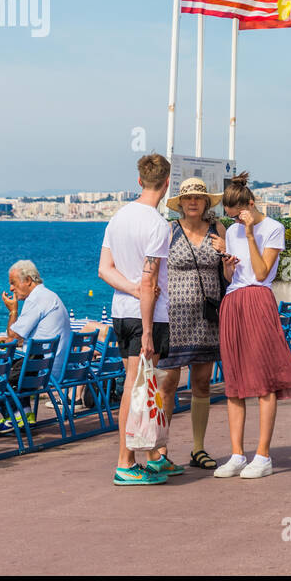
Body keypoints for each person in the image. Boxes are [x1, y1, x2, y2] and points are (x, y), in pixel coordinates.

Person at [212, 171, 291, 480]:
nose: (236, 222)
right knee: (234, 382)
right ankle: (237, 454)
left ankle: (263, 455)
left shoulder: (273, 228)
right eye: (231, 218)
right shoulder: (232, 230)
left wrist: (251, 234)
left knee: (264, 379)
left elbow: (263, 273)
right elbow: (233, 278)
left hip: (258, 300)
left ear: (250, 204)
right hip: (233, 301)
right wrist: (227, 267)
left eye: (238, 216)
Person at [98, 153, 173, 487]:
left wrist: (129, 290)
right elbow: (150, 280)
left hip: (121, 311)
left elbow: (104, 270)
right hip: (148, 317)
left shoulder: (118, 218)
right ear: (167, 183)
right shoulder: (158, 225)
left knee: (138, 384)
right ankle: (125, 461)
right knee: (135, 384)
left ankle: (150, 456)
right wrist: (146, 331)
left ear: (139, 180)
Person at [155, 178, 227, 471]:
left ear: (206, 202)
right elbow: (154, 267)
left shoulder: (218, 229)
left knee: (201, 383)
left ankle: (198, 448)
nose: (193, 202)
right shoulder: (169, 231)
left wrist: (225, 254)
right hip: (173, 317)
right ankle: (160, 449)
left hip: (207, 317)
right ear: (180, 204)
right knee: (168, 383)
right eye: (188, 199)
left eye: (199, 198)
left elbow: (229, 271)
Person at [0, 259, 71, 432]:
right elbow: (21, 338)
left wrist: (13, 311)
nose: (11, 289)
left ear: (28, 280)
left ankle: (13, 417)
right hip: (56, 366)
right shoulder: (50, 296)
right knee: (18, 367)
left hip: (44, 371)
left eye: (13, 283)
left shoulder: (36, 299)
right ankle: (26, 415)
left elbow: (13, 337)